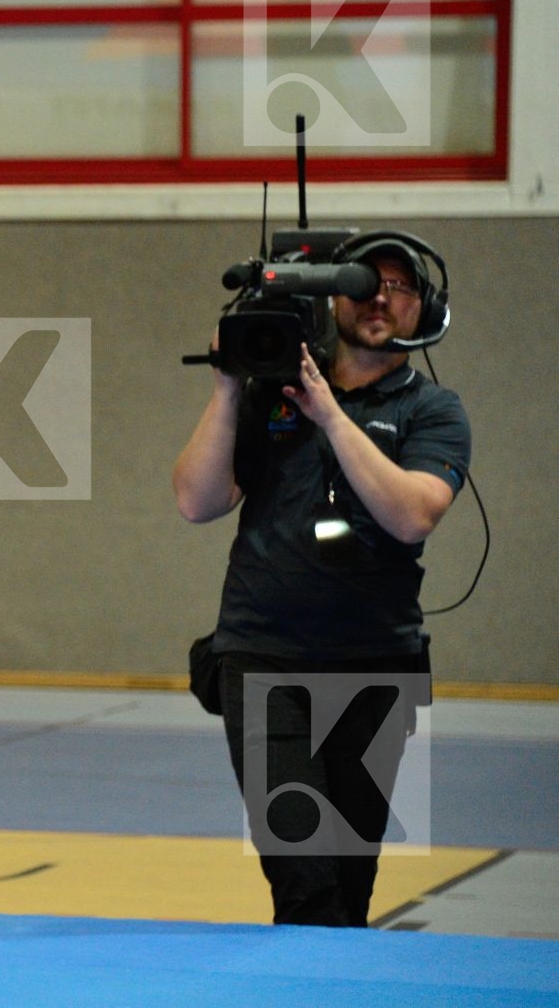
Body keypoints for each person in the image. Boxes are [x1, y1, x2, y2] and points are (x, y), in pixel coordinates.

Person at [171, 236, 470, 927]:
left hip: (375, 665)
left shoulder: (433, 411)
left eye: (399, 286)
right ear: (333, 299)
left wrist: (329, 414)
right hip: (262, 658)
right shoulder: (269, 394)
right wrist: (228, 386)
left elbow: (413, 516)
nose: (379, 297)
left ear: (425, 308)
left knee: (349, 885)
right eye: (363, 282)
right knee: (303, 875)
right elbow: (195, 501)